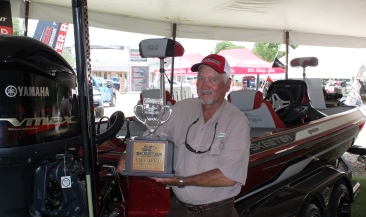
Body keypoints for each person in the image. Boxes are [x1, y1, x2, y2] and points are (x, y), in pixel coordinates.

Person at [117, 54, 251, 217]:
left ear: (228, 84)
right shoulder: (180, 109)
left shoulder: (237, 122)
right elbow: (153, 136)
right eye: (200, 79)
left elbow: (228, 177)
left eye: (213, 80)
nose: (205, 85)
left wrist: (179, 181)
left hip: (216, 211)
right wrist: (128, 154)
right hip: (178, 209)